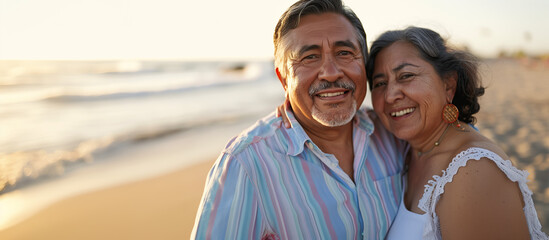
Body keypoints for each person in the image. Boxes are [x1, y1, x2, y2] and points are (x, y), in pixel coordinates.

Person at [191, 0, 408, 239]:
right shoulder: (246, 164)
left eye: (344, 53)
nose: (331, 72)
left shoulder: (392, 132)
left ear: (364, 66)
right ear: (283, 79)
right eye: (309, 57)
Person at [365, 26, 548, 239]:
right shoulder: (406, 152)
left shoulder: (473, 170)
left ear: (448, 85)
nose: (389, 96)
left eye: (406, 76)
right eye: (380, 83)